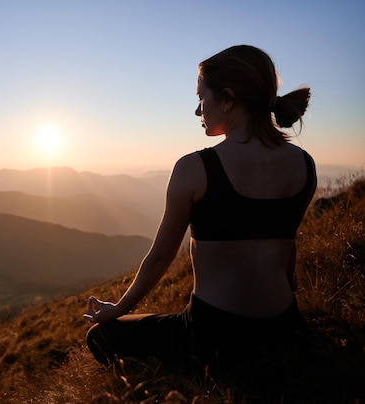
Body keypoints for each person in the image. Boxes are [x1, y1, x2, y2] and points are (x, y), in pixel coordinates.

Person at [84, 45, 317, 369]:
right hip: (286, 328)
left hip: (214, 336)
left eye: (201, 98)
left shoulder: (196, 168)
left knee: (99, 337)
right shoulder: (304, 164)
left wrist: (117, 310)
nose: (198, 111)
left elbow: (161, 257)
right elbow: (285, 243)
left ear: (227, 98)